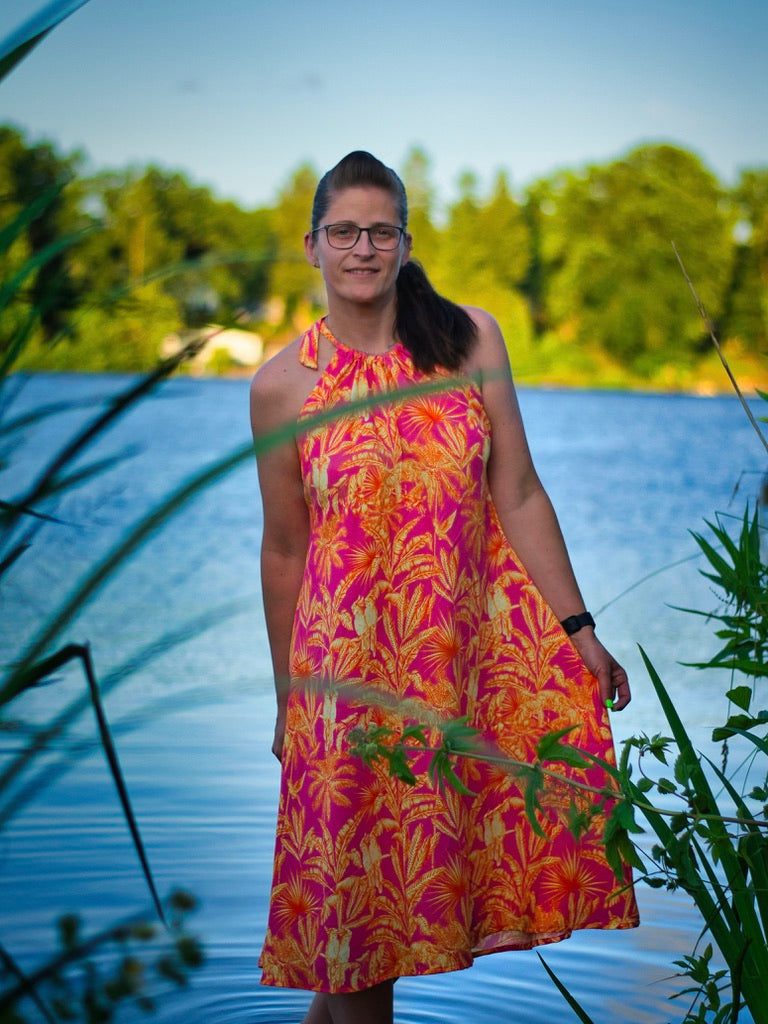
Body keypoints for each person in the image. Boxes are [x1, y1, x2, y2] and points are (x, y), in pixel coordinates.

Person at [250, 151, 639, 1024]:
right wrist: (288, 701)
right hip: (344, 686)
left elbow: (520, 493)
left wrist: (579, 629)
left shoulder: (470, 340)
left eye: (380, 231)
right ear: (312, 246)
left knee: (363, 941)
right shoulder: (280, 387)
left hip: (459, 672)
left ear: (405, 242)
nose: (362, 248)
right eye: (343, 232)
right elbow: (284, 551)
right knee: (355, 929)